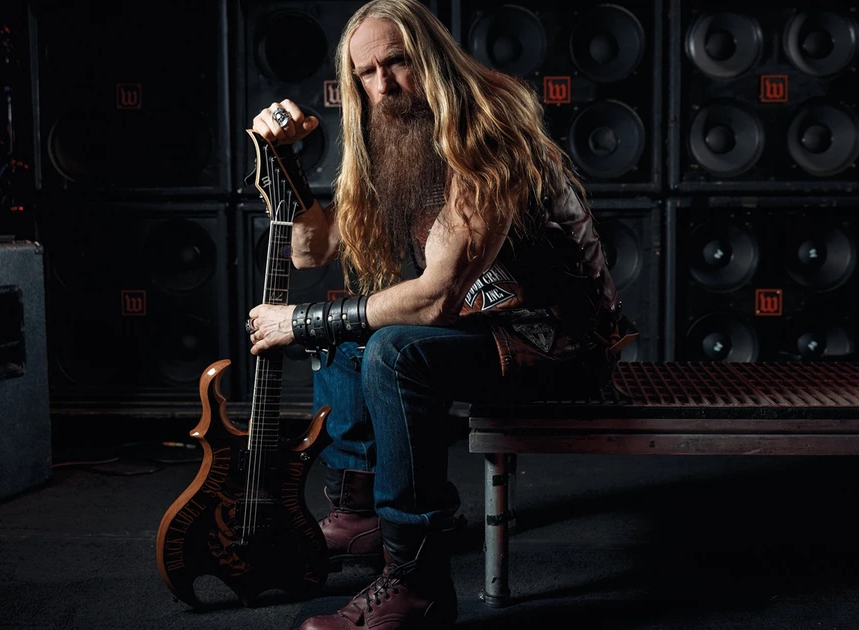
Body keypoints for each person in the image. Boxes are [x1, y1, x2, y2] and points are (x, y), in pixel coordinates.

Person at [243, 0, 628, 627]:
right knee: (346, 331)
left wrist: (299, 322)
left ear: (432, 58)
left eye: (396, 63)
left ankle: (416, 583)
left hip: (561, 342)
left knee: (392, 350)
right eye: (366, 74)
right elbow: (312, 251)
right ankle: (360, 517)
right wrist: (286, 158)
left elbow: (437, 296)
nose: (383, 86)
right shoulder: (391, 133)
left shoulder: (488, 128)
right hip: (489, 326)